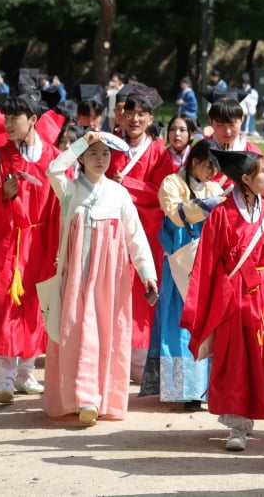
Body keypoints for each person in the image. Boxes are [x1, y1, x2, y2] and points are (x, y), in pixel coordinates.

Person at [42, 131, 157, 425]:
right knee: (76, 331)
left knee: (105, 333)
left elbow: (135, 236)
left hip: (110, 280)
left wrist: (147, 273)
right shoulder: (69, 190)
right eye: (93, 154)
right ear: (81, 157)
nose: (100, 160)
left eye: (105, 154)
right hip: (77, 278)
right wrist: (82, 141)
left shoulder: (118, 194)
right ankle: (81, 398)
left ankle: (98, 398)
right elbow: (53, 168)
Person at [181, 147, 264, 450]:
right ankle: (236, 425)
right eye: (263, 172)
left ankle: (247, 418)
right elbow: (206, 263)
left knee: (258, 359)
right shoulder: (221, 215)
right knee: (233, 360)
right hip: (232, 297)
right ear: (245, 178)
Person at [0, 97, 60, 404]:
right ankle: (5, 378)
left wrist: (60, 246)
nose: (8, 124)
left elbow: (63, 204)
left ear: (32, 119)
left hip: (42, 242)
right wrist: (1, 195)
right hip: (11, 241)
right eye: (6, 118)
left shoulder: (54, 158)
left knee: (36, 308)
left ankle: (27, 373)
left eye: (15, 118)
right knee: (7, 307)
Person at [140, 139, 224, 409]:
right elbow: (175, 215)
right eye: (209, 166)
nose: (213, 173)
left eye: (216, 168)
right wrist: (208, 205)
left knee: (204, 324)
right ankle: (182, 389)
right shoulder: (172, 183)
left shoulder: (214, 187)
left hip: (206, 265)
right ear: (195, 161)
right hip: (179, 264)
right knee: (178, 325)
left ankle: (203, 388)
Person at [106, 85, 172, 382]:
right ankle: (113, 354)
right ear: (121, 116)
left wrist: (127, 186)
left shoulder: (159, 152)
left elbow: (164, 194)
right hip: (113, 233)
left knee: (144, 293)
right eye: (130, 113)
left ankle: (140, 359)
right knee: (114, 291)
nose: (134, 119)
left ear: (149, 119)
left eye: (141, 114)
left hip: (146, 234)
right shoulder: (109, 145)